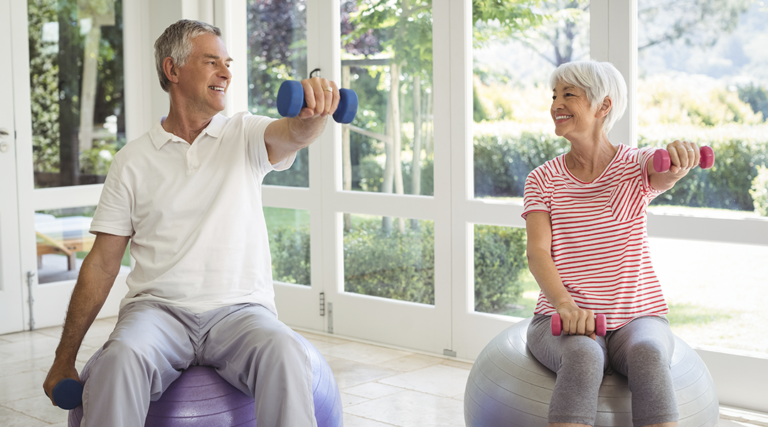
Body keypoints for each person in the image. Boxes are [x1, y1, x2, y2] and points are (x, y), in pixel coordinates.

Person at [42, 20, 339, 426]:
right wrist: (64, 359)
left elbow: (295, 133)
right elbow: (102, 263)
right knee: (119, 359)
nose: (226, 73)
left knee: (285, 351)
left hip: (240, 312)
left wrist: (314, 113)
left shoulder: (245, 134)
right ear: (173, 69)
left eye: (228, 63)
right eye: (211, 61)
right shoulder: (132, 160)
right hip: (157, 313)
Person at [523, 60, 699, 427]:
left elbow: (661, 168)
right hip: (561, 317)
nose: (556, 104)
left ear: (603, 106)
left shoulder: (634, 167)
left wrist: (677, 161)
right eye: (554, 95)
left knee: (649, 353)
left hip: (637, 317)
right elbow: (538, 252)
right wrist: (566, 308)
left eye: (568, 95)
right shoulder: (542, 179)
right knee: (585, 357)